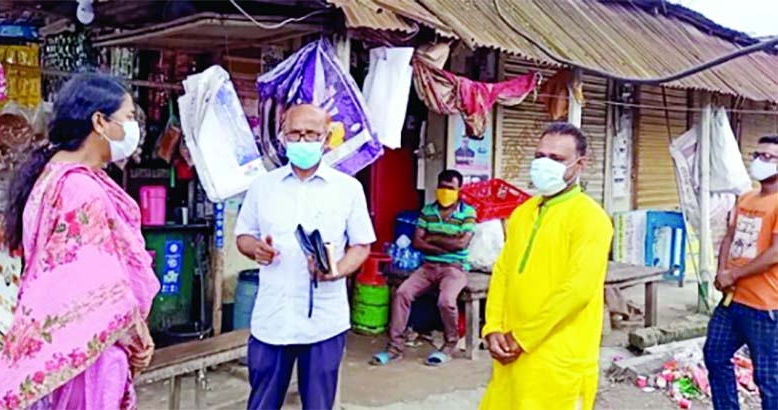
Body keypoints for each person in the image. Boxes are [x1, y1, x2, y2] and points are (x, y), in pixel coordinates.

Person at [0, 73, 159, 410]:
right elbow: (103, 292)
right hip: (89, 356)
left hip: (63, 349)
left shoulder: (52, 177)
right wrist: (138, 337)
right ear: (100, 122)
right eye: (129, 118)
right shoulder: (81, 189)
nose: (135, 130)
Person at [235, 104, 376, 410]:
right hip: (273, 317)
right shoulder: (263, 187)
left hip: (324, 321)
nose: (302, 140)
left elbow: (362, 245)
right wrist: (255, 248)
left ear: (326, 139)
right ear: (283, 138)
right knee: (262, 403)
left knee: (318, 404)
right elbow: (243, 236)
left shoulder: (348, 189)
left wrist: (337, 269)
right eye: (295, 133)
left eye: (311, 133)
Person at [479, 122, 612, 409]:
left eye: (556, 159)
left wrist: (522, 337)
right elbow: (503, 272)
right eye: (540, 156)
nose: (544, 165)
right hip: (510, 353)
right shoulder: (522, 212)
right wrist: (492, 327)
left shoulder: (591, 219)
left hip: (557, 358)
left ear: (580, 165)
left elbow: (577, 291)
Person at [371, 169, 476, 367]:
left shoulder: (468, 212)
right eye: (442, 187)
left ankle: (449, 345)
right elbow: (417, 242)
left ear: (459, 190)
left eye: (450, 188)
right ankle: (395, 348)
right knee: (402, 293)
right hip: (427, 266)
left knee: (446, 302)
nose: (445, 191)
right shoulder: (428, 211)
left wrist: (433, 238)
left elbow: (461, 244)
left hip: (455, 268)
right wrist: (446, 242)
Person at [705, 135, 778, 410]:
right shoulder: (747, 197)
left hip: (766, 306)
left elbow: (775, 253)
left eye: (768, 157)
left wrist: (734, 275)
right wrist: (722, 269)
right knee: (715, 355)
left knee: (769, 377)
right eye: (756, 155)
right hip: (733, 300)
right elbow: (730, 236)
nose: (759, 161)